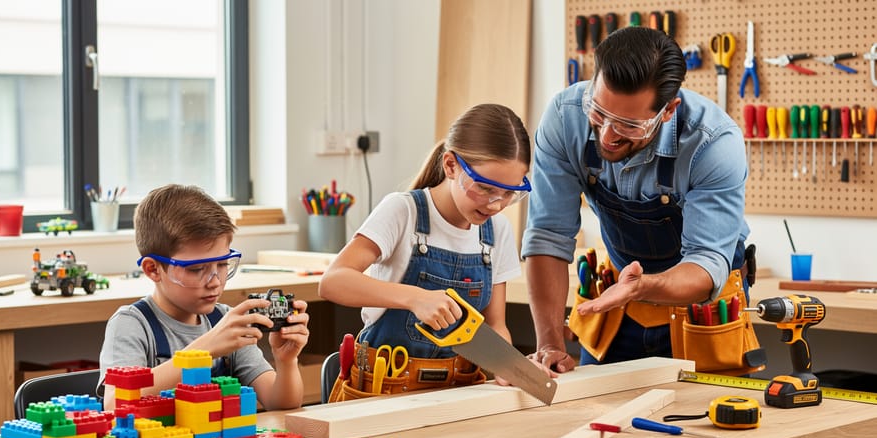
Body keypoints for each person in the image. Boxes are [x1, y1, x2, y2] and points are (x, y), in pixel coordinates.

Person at [523, 27, 762, 375]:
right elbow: (548, 235)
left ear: (668, 111)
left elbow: (707, 260)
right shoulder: (564, 117)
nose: (607, 135)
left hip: (701, 308)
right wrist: (548, 345)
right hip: (616, 304)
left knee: (705, 421)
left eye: (628, 125)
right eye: (599, 113)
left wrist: (643, 287)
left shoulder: (713, 143)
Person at [319, 103, 536, 400]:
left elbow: (496, 324)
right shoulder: (403, 211)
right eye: (485, 188)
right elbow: (333, 281)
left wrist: (507, 365)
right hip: (385, 390)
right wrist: (414, 298)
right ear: (450, 166)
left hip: (458, 394)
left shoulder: (497, 231)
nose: (496, 204)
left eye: (509, 193)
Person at [97, 184, 311, 410]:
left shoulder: (226, 322)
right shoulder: (132, 324)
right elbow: (115, 405)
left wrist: (286, 361)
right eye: (197, 269)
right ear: (153, 269)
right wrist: (202, 352)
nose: (215, 281)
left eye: (222, 264)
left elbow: (281, 405)